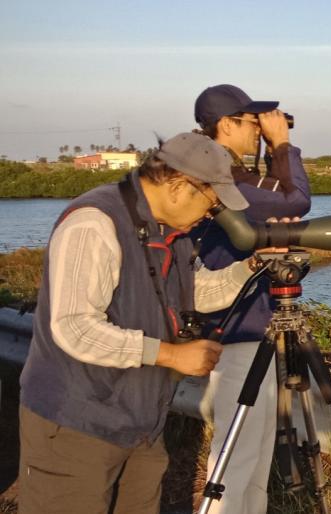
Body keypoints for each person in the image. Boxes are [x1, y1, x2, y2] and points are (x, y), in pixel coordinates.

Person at [18, 132, 257, 513]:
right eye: (212, 203)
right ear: (179, 186)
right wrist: (170, 356)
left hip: (141, 423)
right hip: (76, 423)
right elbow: (74, 327)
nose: (210, 215)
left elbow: (193, 292)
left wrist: (251, 268)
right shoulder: (94, 223)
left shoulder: (171, 231)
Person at [192, 84, 311, 514]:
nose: (258, 130)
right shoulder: (217, 176)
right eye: (251, 122)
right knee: (237, 459)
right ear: (225, 125)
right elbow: (295, 200)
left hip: (249, 328)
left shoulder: (231, 174)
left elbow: (279, 198)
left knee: (257, 458)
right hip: (233, 330)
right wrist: (282, 144)